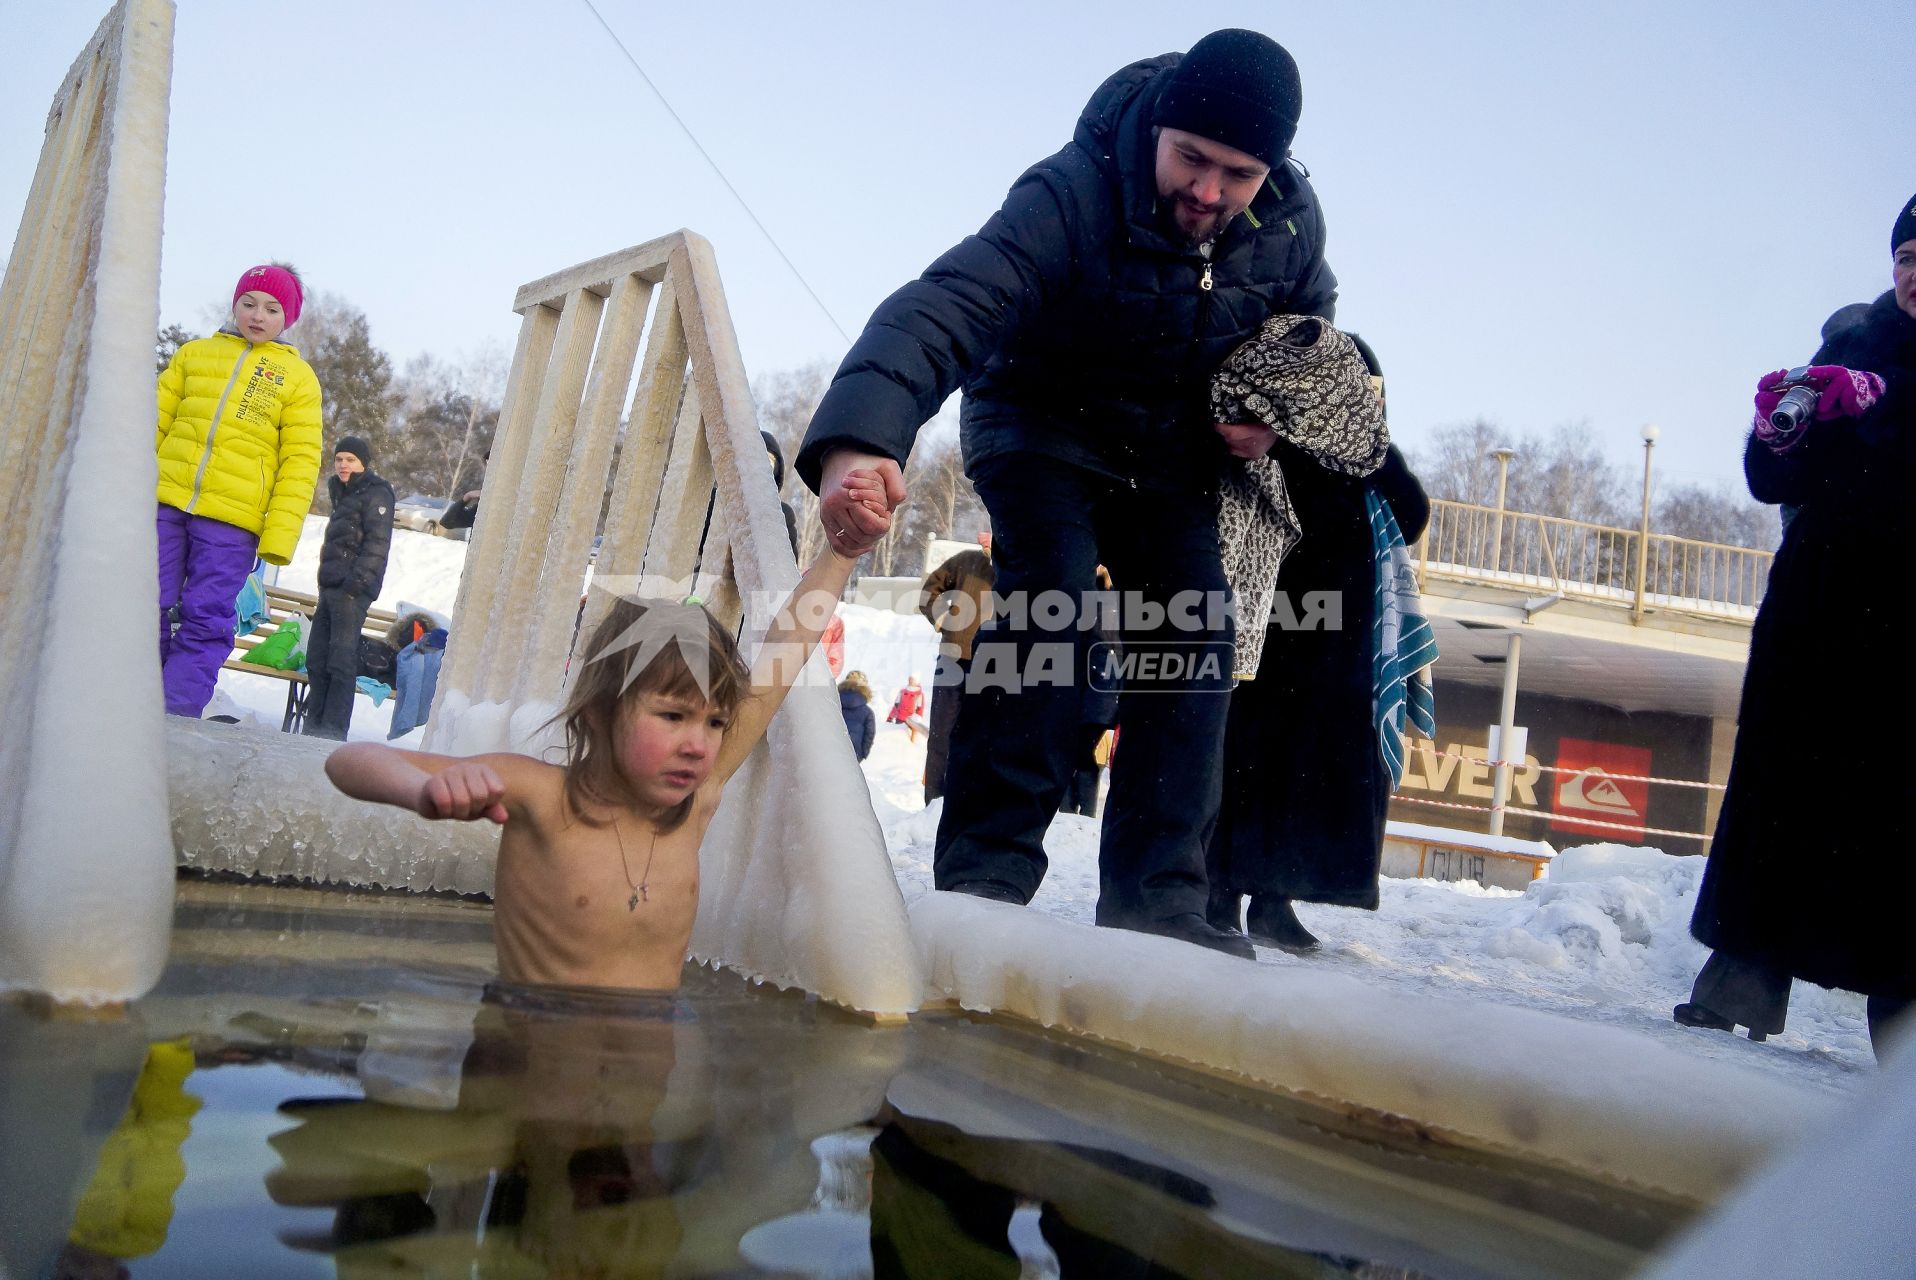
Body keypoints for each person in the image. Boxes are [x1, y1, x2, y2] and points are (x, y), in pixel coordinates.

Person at [798, 30, 1336, 956]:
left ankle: (1159, 898)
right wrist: (860, 439)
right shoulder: (1074, 190)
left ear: (1271, 168)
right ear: (1161, 129)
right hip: (1040, 421)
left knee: (1195, 630)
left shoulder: (1291, 223)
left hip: (1168, 450)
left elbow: (1308, 340)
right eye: (1191, 159)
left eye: (1237, 173)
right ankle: (986, 872)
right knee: (1054, 604)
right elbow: (949, 303)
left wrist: (1269, 412)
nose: (1207, 192)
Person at [323, 476, 870, 991]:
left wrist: (840, 554)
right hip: (532, 1063)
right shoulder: (543, 795)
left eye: (715, 722)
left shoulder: (697, 801)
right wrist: (422, 791)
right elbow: (350, 764)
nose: (698, 743)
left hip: (645, 1073)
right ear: (602, 712)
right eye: (673, 716)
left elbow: (782, 656)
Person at [1677, 193, 1916, 1058]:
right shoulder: (1853, 337)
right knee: (1778, 804)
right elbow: (1774, 482)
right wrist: (1777, 434)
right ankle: (1734, 986)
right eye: (1909, 258)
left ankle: (1904, 1036)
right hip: (1819, 614)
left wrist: (1882, 405)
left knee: (1900, 828)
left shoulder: (1874, 367)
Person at [1203, 335, 1430, 952]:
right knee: (1243, 760)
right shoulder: (1270, 440)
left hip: (1336, 653)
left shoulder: (1370, 454)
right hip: (1271, 629)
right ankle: (1218, 890)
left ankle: (1276, 899)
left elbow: (1412, 515)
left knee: (1303, 776)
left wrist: (1373, 453)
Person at [154, 263, 323, 717]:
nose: (257, 314)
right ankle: (129, 705)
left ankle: (173, 716)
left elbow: (300, 461)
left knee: (205, 619)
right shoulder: (195, 355)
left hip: (233, 522)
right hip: (165, 502)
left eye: (271, 308)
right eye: (248, 302)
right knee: (142, 601)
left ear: (287, 318)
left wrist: (279, 534)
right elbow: (152, 423)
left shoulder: (297, 379)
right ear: (234, 304)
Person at [302, 437, 395, 741]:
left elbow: (376, 546)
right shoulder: (343, 492)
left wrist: (354, 586)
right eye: (339, 458)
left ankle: (332, 732)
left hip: (351, 591)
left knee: (340, 663)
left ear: (363, 463)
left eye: (350, 459)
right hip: (331, 588)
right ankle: (311, 728)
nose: (343, 464)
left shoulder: (376, 493)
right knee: (316, 660)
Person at [918, 534, 995, 804]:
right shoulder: (966, 561)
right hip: (954, 656)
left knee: (983, 738)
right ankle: (935, 801)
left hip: (995, 665)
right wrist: (943, 620)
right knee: (942, 735)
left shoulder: (1019, 567)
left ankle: (970, 804)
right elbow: (929, 590)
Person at [840, 670, 877, 761]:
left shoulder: (833, 705)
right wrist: (864, 753)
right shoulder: (867, 712)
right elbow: (869, 734)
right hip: (855, 753)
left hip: (832, 749)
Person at [885, 673, 926, 742]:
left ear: (917, 681)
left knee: (910, 743)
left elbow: (920, 710)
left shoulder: (919, 694)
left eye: (912, 679)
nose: (910, 681)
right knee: (899, 741)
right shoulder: (902, 692)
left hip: (912, 722)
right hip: (899, 720)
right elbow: (896, 706)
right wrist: (890, 717)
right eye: (909, 679)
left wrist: (917, 722)